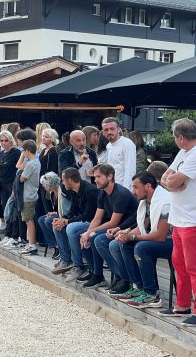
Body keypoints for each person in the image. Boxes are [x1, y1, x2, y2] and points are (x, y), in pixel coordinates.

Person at [107, 172, 172, 308]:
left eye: (136, 187)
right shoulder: (146, 202)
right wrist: (126, 234)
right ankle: (138, 287)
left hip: (173, 242)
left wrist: (133, 236)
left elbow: (160, 235)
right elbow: (142, 227)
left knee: (141, 247)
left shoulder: (164, 201)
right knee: (122, 244)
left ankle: (152, 294)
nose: (133, 191)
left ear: (148, 186)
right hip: (158, 240)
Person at [160, 118, 196, 324]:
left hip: (192, 219)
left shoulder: (194, 155)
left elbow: (169, 179)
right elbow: (165, 176)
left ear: (180, 138)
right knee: (179, 264)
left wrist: (171, 181)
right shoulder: (183, 153)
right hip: (178, 218)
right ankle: (182, 305)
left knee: (193, 267)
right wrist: (172, 182)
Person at [79, 164, 138, 289]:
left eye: (99, 177)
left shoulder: (120, 193)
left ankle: (122, 277)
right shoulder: (102, 193)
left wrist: (91, 232)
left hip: (130, 228)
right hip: (116, 229)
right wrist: (87, 233)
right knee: (88, 237)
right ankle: (97, 274)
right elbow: (97, 218)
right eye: (95, 177)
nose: (95, 180)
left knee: (98, 240)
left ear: (110, 176)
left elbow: (113, 222)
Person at [50, 168, 99, 281]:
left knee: (71, 228)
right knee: (57, 226)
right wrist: (63, 219)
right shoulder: (74, 190)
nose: (62, 183)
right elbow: (73, 210)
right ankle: (66, 260)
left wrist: (67, 222)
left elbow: (88, 215)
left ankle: (78, 266)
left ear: (70, 180)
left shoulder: (90, 190)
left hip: (94, 223)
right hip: (83, 221)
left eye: (63, 180)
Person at [0, 131, 21, 248]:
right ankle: (8, 235)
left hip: (11, 184)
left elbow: (18, 169)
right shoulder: (1, 153)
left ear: (11, 140)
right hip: (2, 184)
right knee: (6, 210)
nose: (4, 143)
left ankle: (14, 236)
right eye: (2, 141)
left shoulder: (15, 152)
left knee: (13, 211)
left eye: (6, 140)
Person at [16, 140, 41, 255]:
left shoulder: (30, 164)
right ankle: (30, 243)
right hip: (32, 193)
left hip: (28, 195)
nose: (22, 153)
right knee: (29, 219)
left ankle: (32, 244)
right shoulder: (36, 161)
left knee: (28, 220)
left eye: (23, 151)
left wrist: (22, 169)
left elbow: (21, 179)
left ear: (27, 150)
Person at [103, 117, 136, 191]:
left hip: (123, 188)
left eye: (112, 129)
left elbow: (130, 170)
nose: (109, 132)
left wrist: (126, 191)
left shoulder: (127, 144)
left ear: (118, 129)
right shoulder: (108, 146)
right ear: (103, 133)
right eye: (106, 130)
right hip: (111, 188)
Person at [36, 172, 61, 259]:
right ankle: (55, 246)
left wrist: (56, 213)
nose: (43, 186)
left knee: (48, 220)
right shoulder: (52, 193)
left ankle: (60, 246)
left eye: (44, 184)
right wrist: (54, 212)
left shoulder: (61, 191)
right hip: (58, 213)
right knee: (41, 220)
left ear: (50, 184)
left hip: (64, 215)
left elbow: (65, 209)